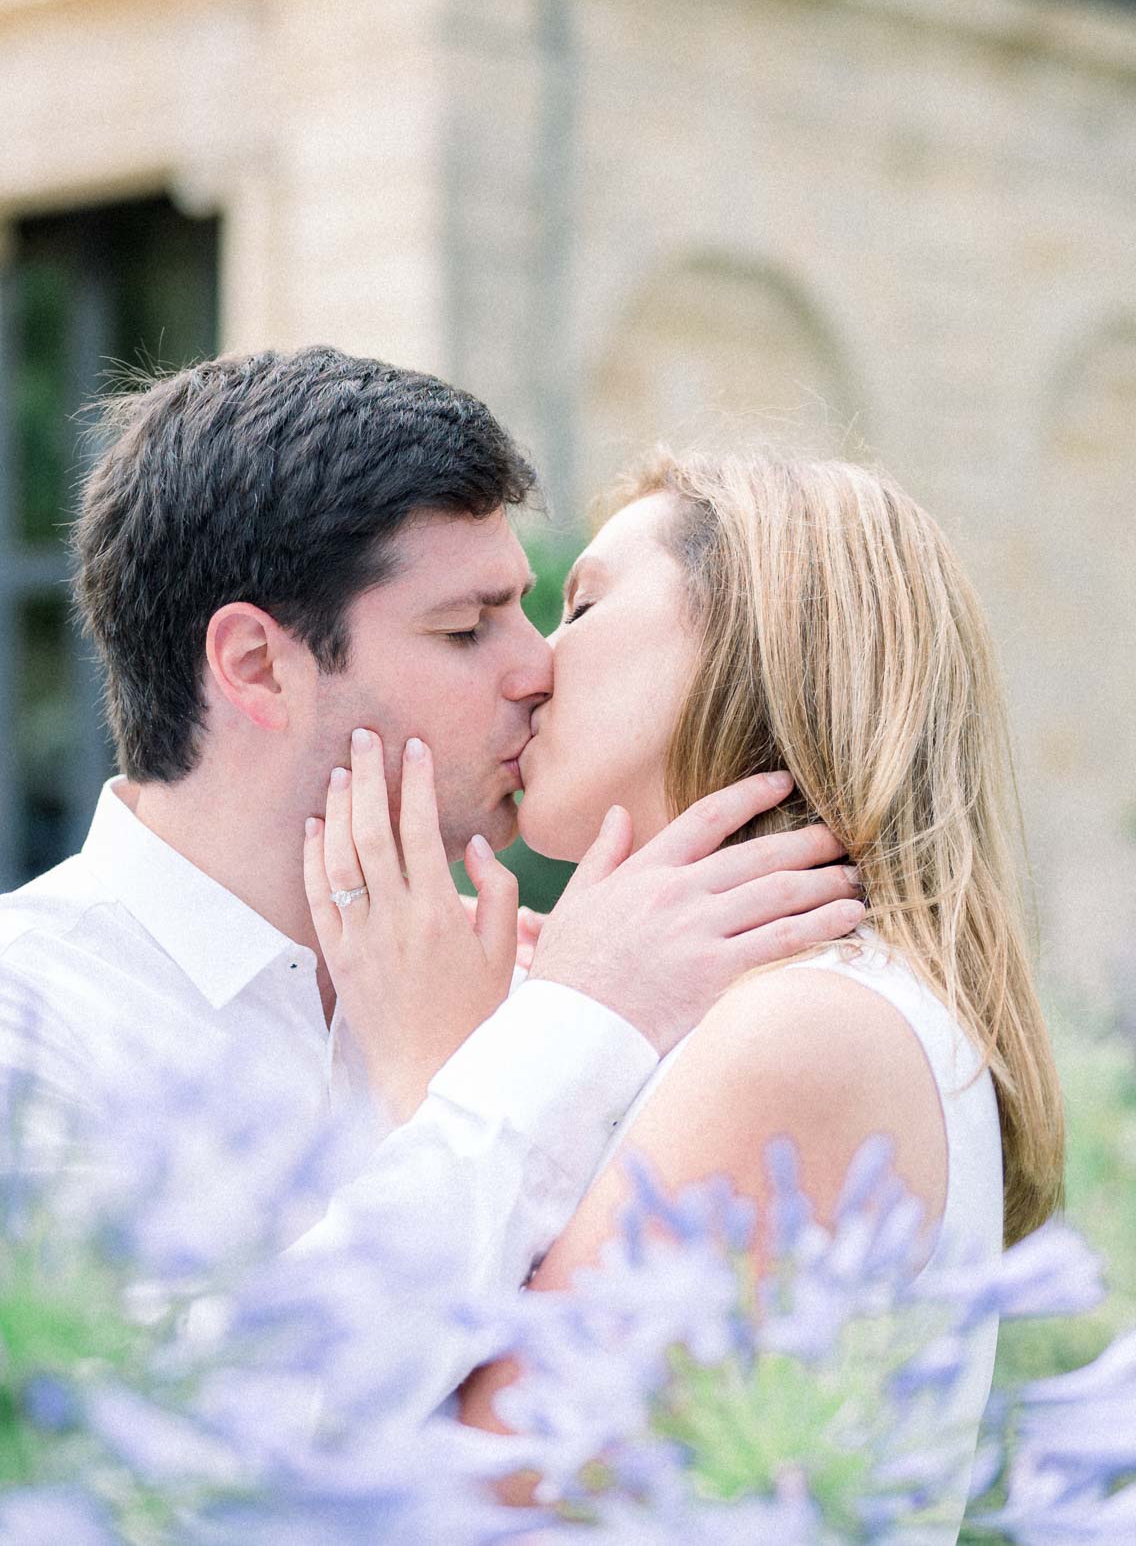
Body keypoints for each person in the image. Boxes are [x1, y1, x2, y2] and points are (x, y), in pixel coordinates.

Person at [0, 350, 863, 1422]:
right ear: (256, 665)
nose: (537, 667)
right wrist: (565, 1042)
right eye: (464, 627)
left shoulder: (534, 984)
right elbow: (160, 1448)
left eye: (530, 610)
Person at [423, 449, 1058, 1536]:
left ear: (752, 634)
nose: (530, 667)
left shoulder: (806, 1024)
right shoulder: (797, 1008)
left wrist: (424, 1063)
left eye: (580, 604)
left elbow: (448, 1499)